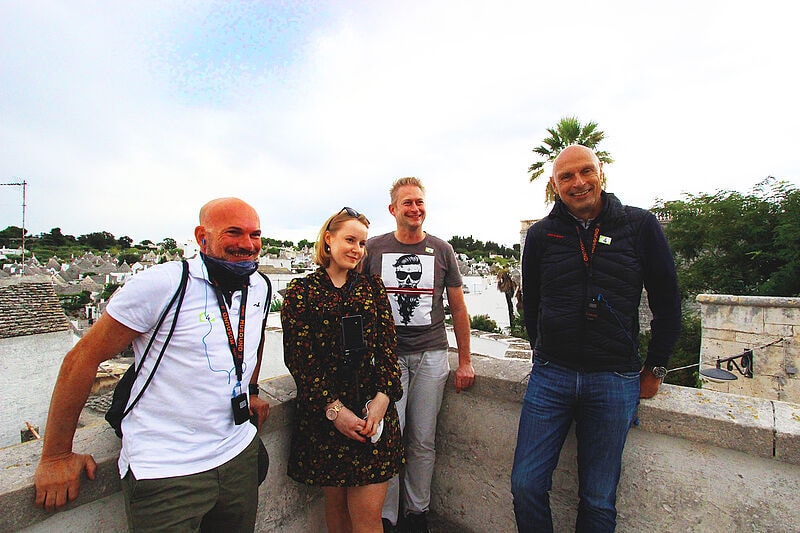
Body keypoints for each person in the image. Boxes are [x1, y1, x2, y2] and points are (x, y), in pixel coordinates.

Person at [34, 198, 272, 532]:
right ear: (202, 237)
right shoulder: (162, 284)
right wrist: (56, 456)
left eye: (255, 235)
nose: (247, 244)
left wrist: (251, 390)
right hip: (167, 470)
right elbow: (82, 358)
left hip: (237, 455)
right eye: (234, 233)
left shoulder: (260, 286)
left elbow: (253, 339)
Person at [511, 145, 681, 532]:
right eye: (566, 176)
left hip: (614, 378)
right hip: (551, 376)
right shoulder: (541, 235)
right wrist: (542, 352)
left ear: (600, 172)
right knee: (525, 484)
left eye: (586, 171)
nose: (578, 182)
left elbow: (668, 302)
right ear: (554, 185)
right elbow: (531, 303)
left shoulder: (640, 225)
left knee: (599, 499)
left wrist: (656, 367)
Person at [362, 177, 476, 533]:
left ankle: (417, 512)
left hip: (431, 354)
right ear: (393, 209)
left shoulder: (442, 250)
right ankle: (387, 515)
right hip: (387, 359)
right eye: (407, 202)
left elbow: (458, 308)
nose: (415, 208)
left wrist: (465, 360)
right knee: (387, 438)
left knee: (423, 439)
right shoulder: (374, 249)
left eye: (419, 202)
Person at [281, 207, 404, 533]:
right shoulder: (301, 292)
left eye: (362, 243)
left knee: (367, 519)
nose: (357, 249)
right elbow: (300, 359)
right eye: (350, 240)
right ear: (328, 239)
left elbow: (389, 348)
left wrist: (383, 399)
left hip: (371, 415)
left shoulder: (373, 288)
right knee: (337, 514)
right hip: (326, 418)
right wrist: (334, 410)